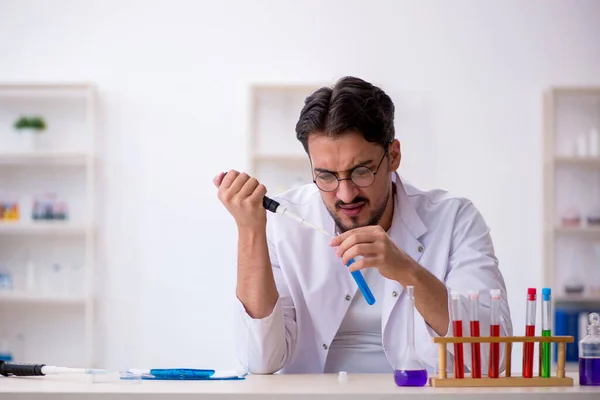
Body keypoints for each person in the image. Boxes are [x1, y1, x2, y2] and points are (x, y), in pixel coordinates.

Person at [213, 76, 513, 375]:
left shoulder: (455, 219)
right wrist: (250, 231)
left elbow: (492, 358)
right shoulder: (283, 223)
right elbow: (260, 361)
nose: (345, 194)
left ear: (393, 156)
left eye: (361, 172)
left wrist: (407, 271)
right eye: (327, 176)